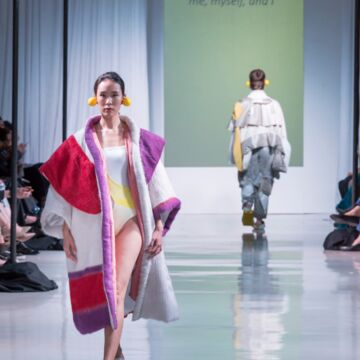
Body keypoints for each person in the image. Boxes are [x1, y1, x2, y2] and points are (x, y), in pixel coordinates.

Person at [40, 71, 181, 360]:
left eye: (114, 94)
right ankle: (116, 351)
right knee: (106, 291)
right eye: (103, 94)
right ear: (95, 98)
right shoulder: (79, 142)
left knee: (116, 289)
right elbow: (63, 186)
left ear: (123, 99)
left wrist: (157, 226)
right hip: (92, 226)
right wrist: (65, 228)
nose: (108, 100)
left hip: (130, 221)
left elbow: (156, 183)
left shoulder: (139, 139)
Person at [228, 69, 290, 230]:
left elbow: (235, 133)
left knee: (247, 180)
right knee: (265, 182)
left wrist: (235, 156)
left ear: (249, 83)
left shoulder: (241, 105)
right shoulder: (274, 105)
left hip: (247, 147)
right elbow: (282, 132)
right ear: (265, 82)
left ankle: (247, 213)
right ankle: (259, 221)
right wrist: (282, 153)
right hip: (269, 147)